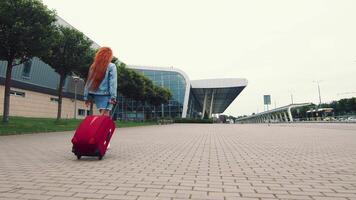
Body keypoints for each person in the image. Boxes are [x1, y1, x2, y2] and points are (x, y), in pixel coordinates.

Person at [83, 47, 117, 116]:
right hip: (107, 95)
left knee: (104, 116)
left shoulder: (93, 66)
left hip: (96, 95)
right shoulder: (111, 66)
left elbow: (88, 82)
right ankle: (95, 127)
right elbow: (113, 83)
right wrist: (113, 97)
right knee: (104, 117)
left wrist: (86, 97)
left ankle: (98, 126)